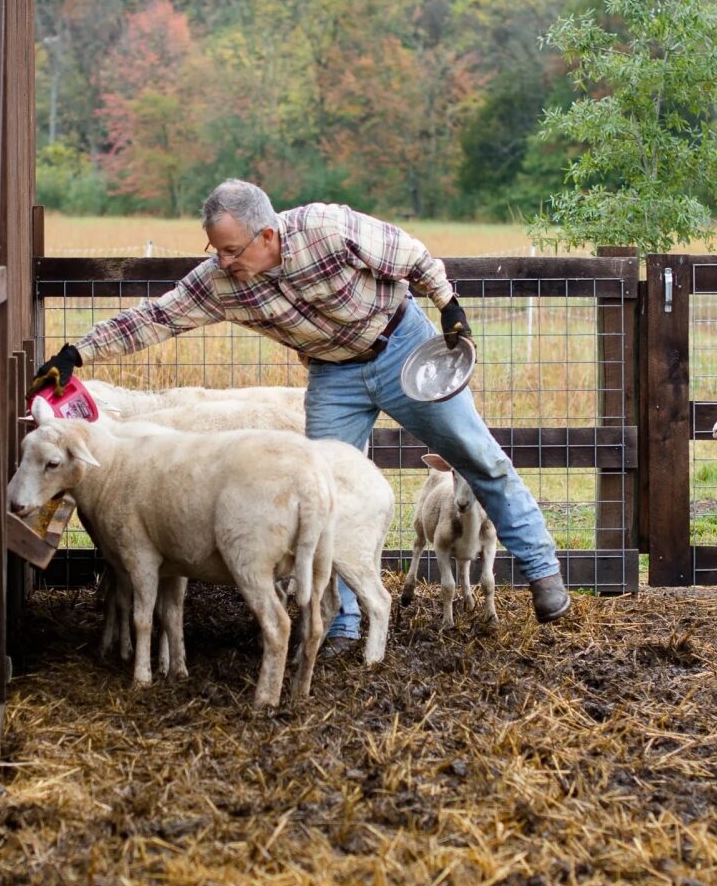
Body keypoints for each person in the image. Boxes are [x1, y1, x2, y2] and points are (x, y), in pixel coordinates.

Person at [33, 179, 570, 651]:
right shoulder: (222, 282)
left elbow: (413, 256)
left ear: (267, 236)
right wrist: (76, 354)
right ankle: (342, 624)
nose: (223, 260)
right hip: (334, 375)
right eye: (215, 250)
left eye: (231, 249)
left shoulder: (327, 228)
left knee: (477, 455)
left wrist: (449, 304)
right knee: (322, 488)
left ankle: (543, 572)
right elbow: (155, 317)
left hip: (403, 347)